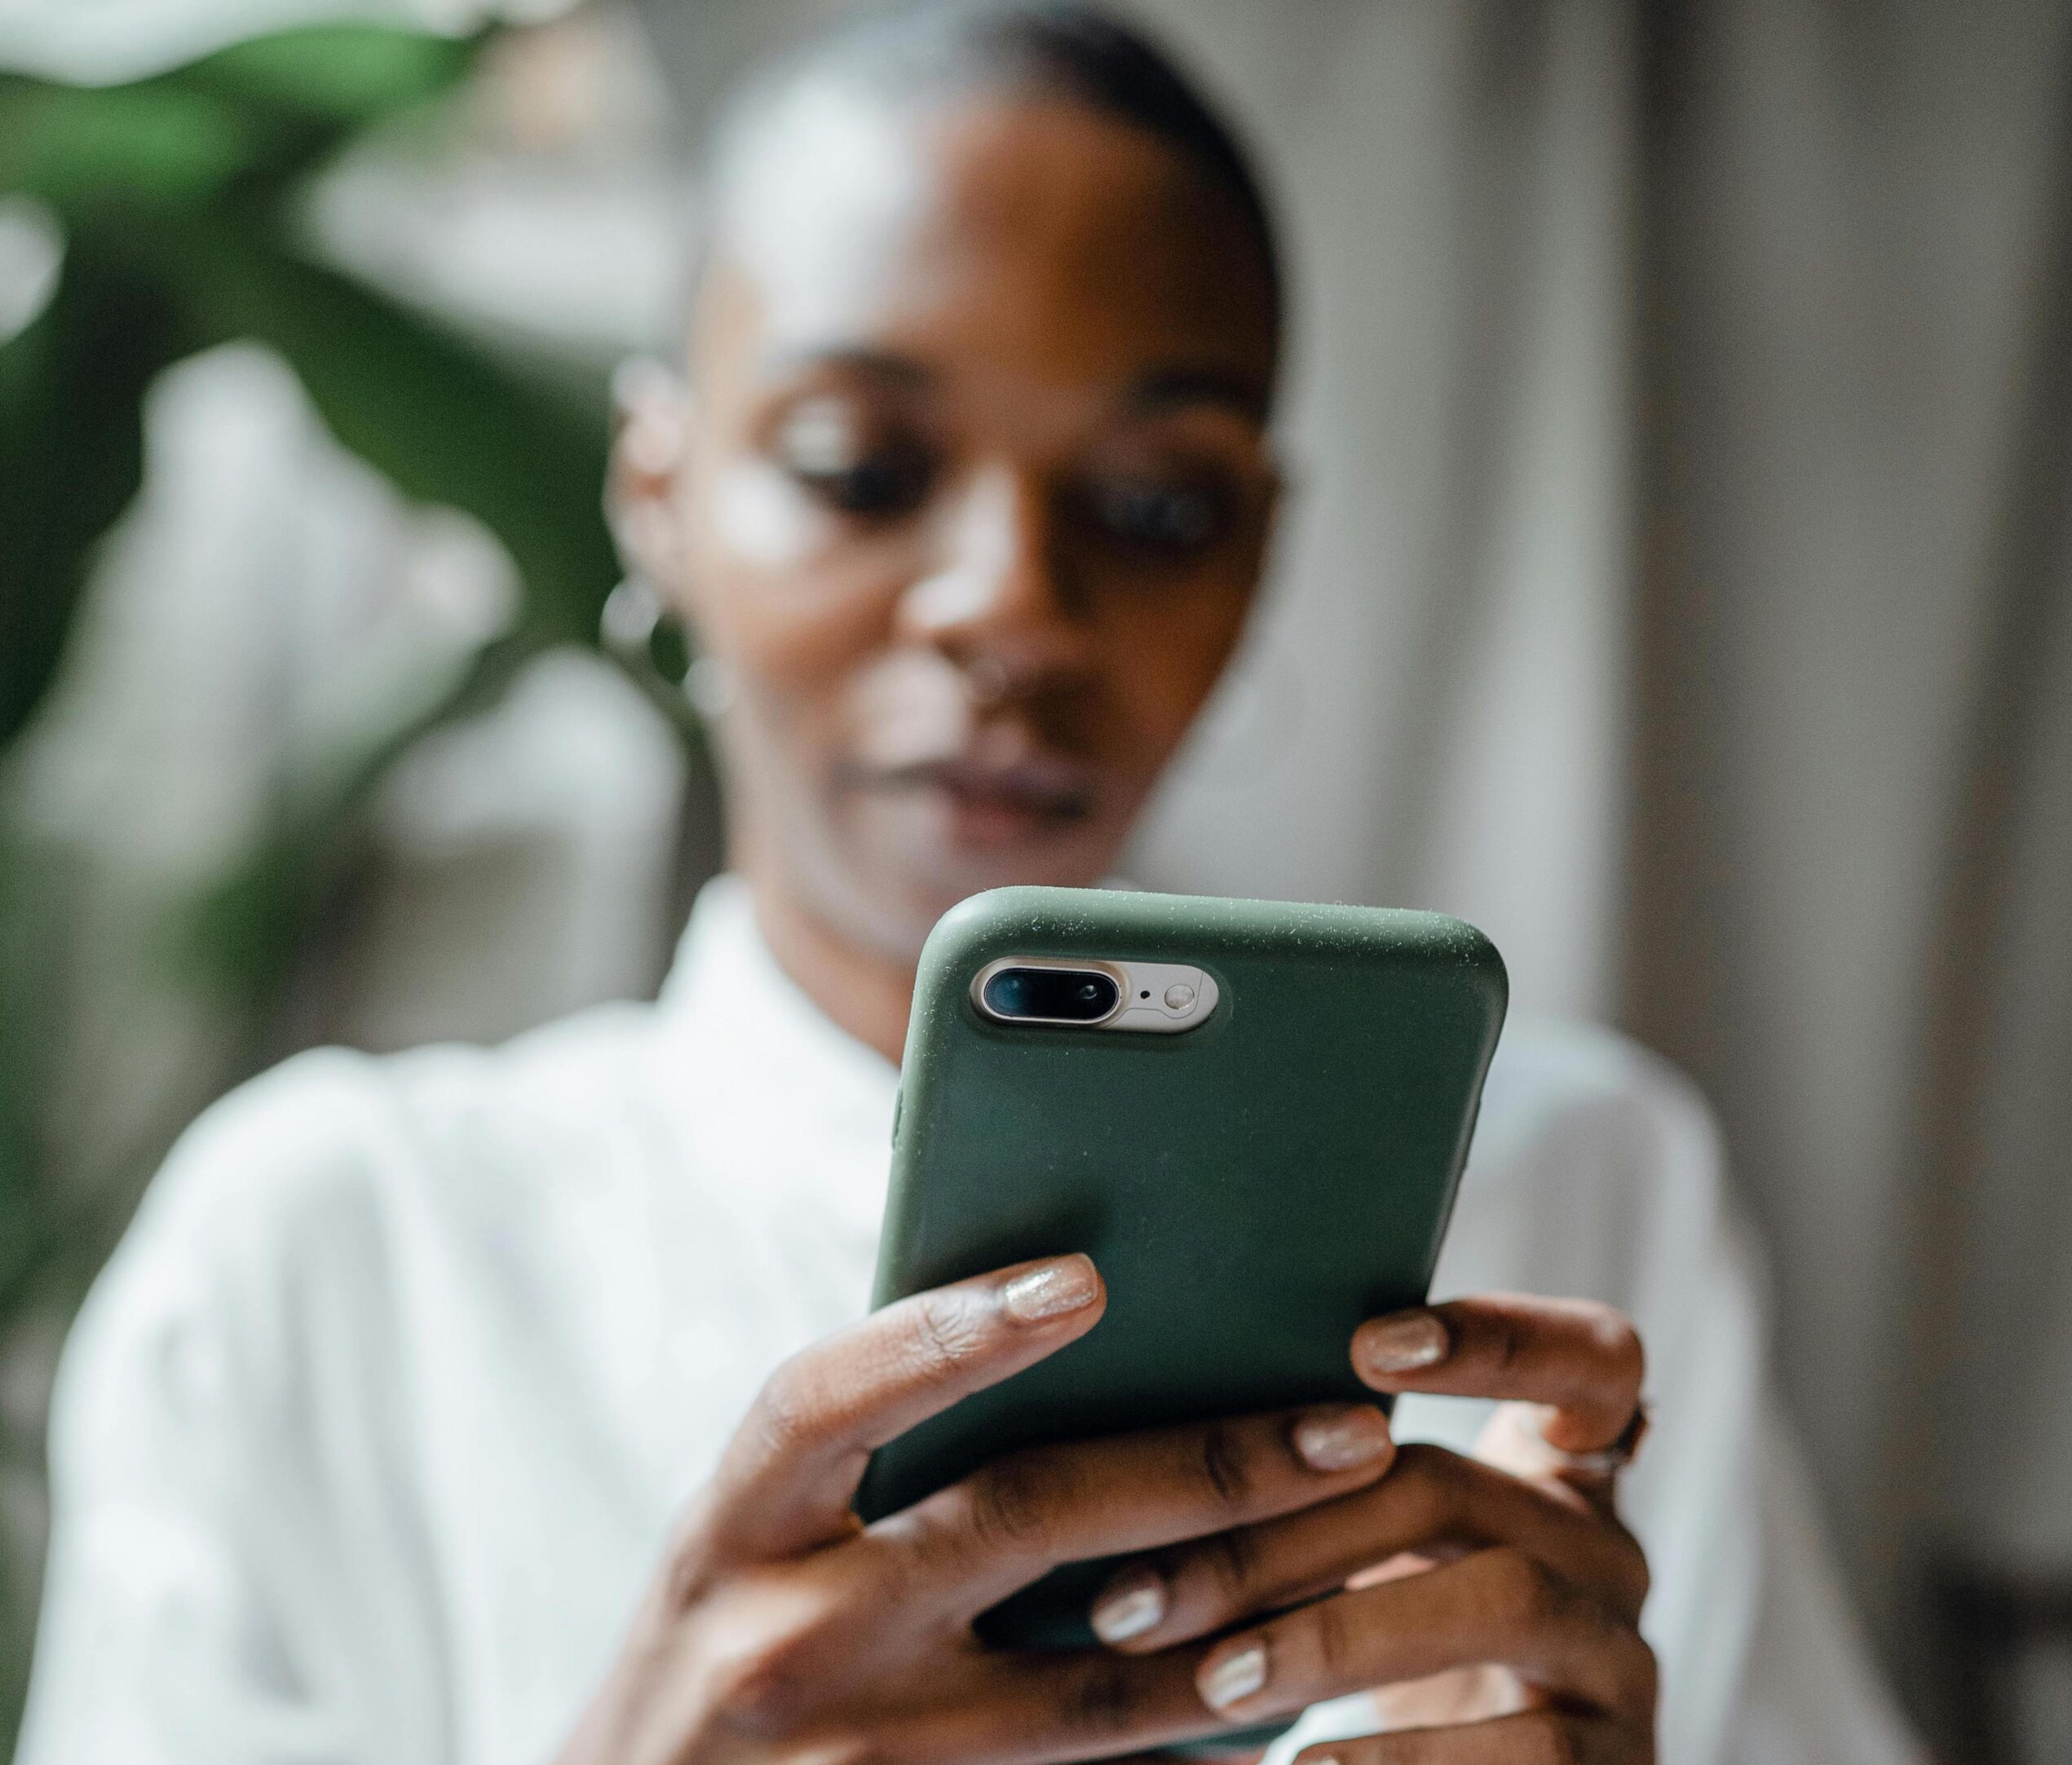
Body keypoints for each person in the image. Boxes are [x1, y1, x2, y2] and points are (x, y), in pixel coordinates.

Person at [18, 6, 1919, 1763]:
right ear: (657, 495)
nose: (1011, 601)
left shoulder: (1579, 1188)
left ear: (1254, 555)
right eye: (861, 465)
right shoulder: (336, 1251)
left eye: (1154, 503)